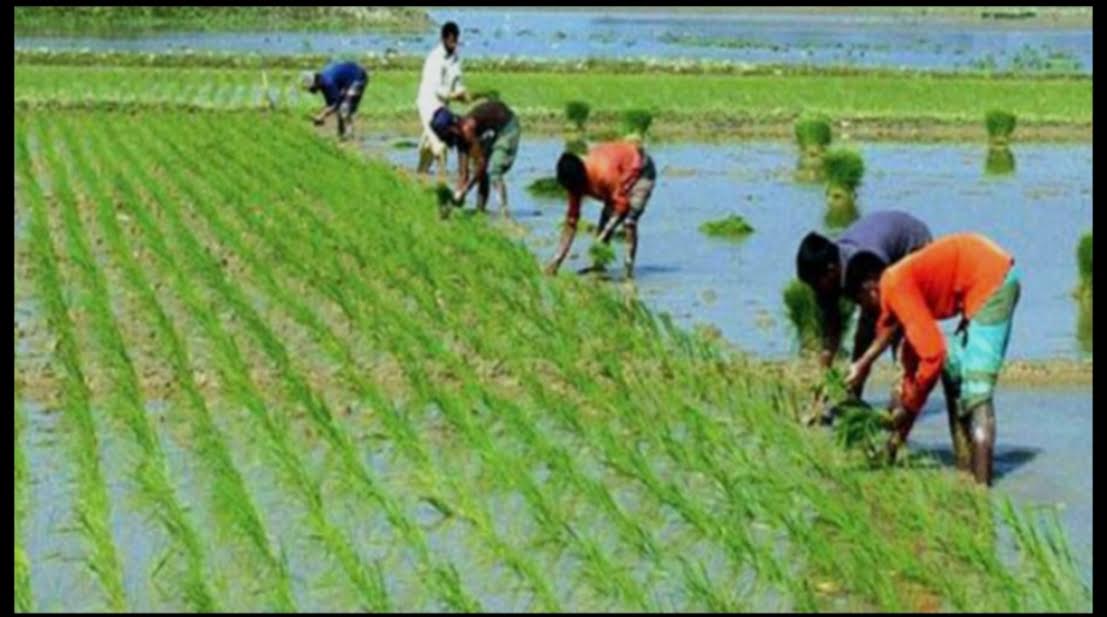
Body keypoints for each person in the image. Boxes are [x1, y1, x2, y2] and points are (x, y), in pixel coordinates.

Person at [844, 233, 1021, 486]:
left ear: (870, 289)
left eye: (862, 303)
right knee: (952, 371)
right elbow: (914, 374)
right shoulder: (901, 293)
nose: (866, 312)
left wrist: (909, 406)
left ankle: (982, 496)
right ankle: (964, 469)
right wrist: (894, 444)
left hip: (994, 281)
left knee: (977, 392)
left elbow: (933, 355)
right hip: (978, 282)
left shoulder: (895, 286)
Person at [795, 211, 932, 409]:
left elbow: (890, 322)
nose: (815, 291)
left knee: (902, 341)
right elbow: (831, 330)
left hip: (914, 249)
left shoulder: (865, 264)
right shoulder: (826, 278)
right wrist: (822, 382)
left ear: (832, 270)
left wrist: (866, 360)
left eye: (816, 284)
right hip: (878, 265)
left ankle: (899, 408)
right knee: (864, 335)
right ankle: (853, 401)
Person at [543, 141, 657, 279]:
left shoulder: (603, 173)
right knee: (607, 216)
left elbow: (623, 205)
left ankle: (628, 271)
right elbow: (571, 222)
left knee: (629, 222)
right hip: (617, 177)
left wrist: (603, 235)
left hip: (641, 170)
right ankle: (599, 266)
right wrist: (556, 260)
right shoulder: (573, 182)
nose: (577, 193)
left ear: (583, 179)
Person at [430, 100, 521, 217]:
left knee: (494, 170)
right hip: (491, 131)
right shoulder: (459, 136)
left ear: (452, 129)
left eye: (443, 135)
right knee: (481, 172)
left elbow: (481, 165)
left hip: (507, 127)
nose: (443, 139)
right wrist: (456, 195)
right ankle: (480, 212)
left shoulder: (468, 129)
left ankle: (505, 214)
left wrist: (466, 190)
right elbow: (463, 173)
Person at [416, 21, 470, 180]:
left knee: (428, 148)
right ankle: (442, 183)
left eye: (456, 40)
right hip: (428, 107)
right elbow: (438, 90)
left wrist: (464, 94)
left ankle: (420, 178)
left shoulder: (455, 59)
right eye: (451, 40)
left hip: (442, 109)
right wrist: (456, 96)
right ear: (444, 39)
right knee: (440, 149)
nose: (454, 44)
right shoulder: (434, 58)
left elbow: (457, 83)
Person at [301, 61, 369, 140]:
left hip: (359, 77)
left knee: (345, 107)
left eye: (311, 88)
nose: (311, 90)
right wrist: (323, 115)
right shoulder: (323, 81)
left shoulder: (328, 83)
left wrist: (322, 116)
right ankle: (341, 133)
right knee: (341, 106)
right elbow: (332, 104)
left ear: (315, 83)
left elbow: (334, 104)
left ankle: (349, 134)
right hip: (348, 81)